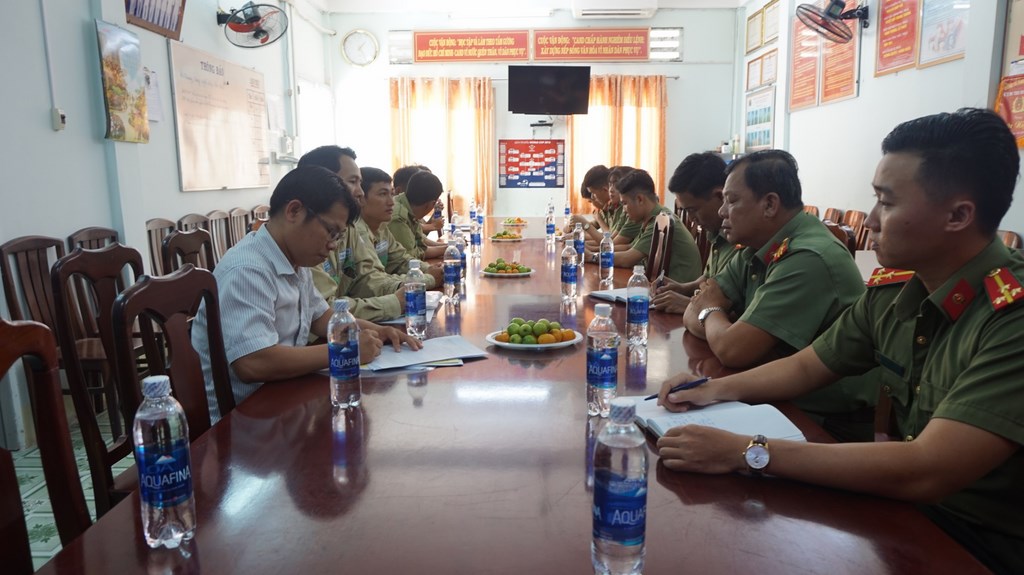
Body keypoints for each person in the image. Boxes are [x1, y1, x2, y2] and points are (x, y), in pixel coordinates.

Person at [656, 108, 1023, 574]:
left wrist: (744, 451)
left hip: (977, 546)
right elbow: (808, 365)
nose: (871, 219)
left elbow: (927, 468)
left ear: (958, 215)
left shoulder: (1012, 318)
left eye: (886, 202)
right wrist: (711, 390)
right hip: (901, 514)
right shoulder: (894, 293)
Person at [191, 166, 421, 419]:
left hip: (283, 402)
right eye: (330, 232)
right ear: (294, 211)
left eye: (338, 236)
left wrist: (379, 331)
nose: (332, 245)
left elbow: (322, 317)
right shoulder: (248, 269)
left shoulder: (294, 261)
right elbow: (253, 362)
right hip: (246, 422)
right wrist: (346, 350)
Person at [680, 149, 875, 441]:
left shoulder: (808, 256)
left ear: (770, 204)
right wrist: (720, 324)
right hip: (770, 396)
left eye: (731, 200)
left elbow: (732, 350)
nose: (722, 211)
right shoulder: (754, 248)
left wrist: (712, 312)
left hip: (822, 422)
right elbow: (691, 313)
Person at [301, 146, 412, 322]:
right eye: (352, 182)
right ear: (321, 182)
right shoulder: (303, 238)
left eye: (360, 183)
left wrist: (405, 287)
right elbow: (323, 311)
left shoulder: (349, 226)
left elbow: (366, 278)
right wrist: (393, 302)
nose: (360, 193)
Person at [653, 152, 740, 314]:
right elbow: (710, 278)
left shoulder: (742, 238)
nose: (691, 219)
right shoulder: (716, 233)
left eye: (693, 210)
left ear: (720, 196)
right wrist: (683, 288)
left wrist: (687, 304)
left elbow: (739, 311)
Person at [584, 168, 702, 284]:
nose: (624, 210)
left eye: (625, 203)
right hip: (662, 287)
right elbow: (629, 247)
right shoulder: (652, 217)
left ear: (640, 199)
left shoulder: (659, 220)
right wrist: (592, 251)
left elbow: (628, 259)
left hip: (677, 291)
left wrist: (592, 257)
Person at [358, 166, 443, 285]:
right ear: (360, 198)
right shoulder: (358, 232)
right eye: (383, 194)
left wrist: (429, 269)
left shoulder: (381, 226)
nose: (391, 202)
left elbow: (400, 259)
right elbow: (374, 283)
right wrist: (429, 278)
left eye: (391, 194)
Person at [389, 170, 448, 260]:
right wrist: (446, 249)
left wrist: (448, 247)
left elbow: (421, 242)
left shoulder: (408, 207)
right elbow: (411, 255)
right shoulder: (398, 217)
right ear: (432, 204)